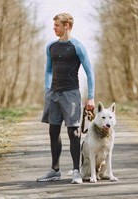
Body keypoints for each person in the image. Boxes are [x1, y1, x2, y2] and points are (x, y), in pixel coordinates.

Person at [36, 13, 95, 184]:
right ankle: (55, 170)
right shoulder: (51, 47)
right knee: (53, 131)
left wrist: (90, 97)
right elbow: (48, 70)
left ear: (67, 25)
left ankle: (76, 171)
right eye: (54, 25)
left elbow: (89, 72)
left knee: (73, 132)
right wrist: (47, 90)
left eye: (56, 26)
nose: (54, 28)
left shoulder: (77, 46)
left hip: (71, 95)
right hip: (53, 94)